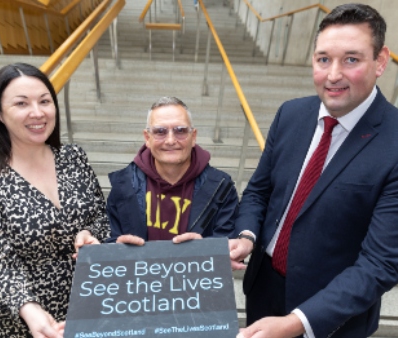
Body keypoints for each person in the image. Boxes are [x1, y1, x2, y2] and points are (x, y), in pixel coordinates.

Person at [229, 4, 398, 338]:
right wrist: (247, 236)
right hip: (263, 290)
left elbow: (380, 264)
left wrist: (298, 322)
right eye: (323, 59)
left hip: (332, 317)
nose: (333, 74)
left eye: (351, 59)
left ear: (380, 61)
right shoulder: (291, 114)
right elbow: (259, 192)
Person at [0, 63, 110, 337]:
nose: (37, 112)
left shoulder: (74, 158)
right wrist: (28, 308)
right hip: (23, 320)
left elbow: (101, 216)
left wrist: (90, 234)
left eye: (45, 101)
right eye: (21, 103)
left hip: (89, 306)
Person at [106, 96, 238, 245]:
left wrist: (205, 248)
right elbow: (109, 237)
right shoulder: (124, 185)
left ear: (193, 137)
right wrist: (115, 247)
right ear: (147, 138)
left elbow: (229, 244)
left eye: (180, 131)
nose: (170, 140)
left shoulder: (221, 187)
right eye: (160, 131)